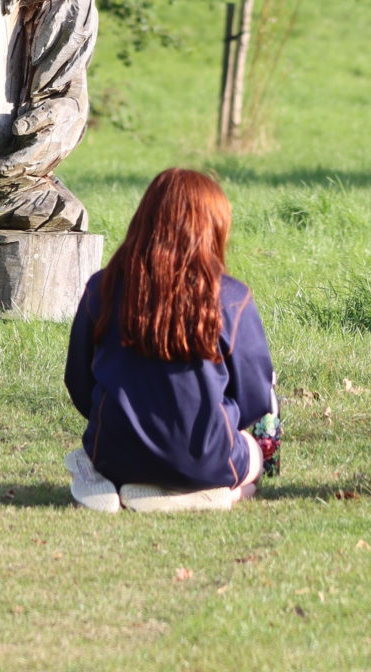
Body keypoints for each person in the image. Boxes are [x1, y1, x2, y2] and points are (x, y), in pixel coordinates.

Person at [63, 168, 278, 515]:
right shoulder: (232, 297)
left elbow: (78, 380)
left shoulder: (100, 289)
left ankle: (111, 481)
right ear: (213, 228)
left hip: (114, 454)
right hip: (206, 460)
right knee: (255, 459)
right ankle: (215, 493)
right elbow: (254, 398)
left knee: (113, 455)